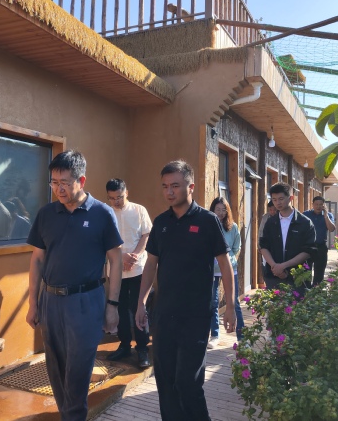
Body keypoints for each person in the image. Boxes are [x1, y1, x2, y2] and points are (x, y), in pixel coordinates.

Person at [135, 160, 236, 421]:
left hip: (195, 316)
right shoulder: (161, 222)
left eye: (175, 186)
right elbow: (150, 265)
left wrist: (231, 307)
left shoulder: (207, 221)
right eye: (165, 186)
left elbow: (225, 266)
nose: (169, 192)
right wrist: (141, 302)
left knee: (188, 382)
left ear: (190, 187)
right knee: (166, 381)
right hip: (164, 314)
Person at [26, 150, 123, 421]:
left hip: (86, 301)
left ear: (81, 180)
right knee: (55, 368)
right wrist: (33, 303)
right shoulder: (46, 214)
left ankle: (74, 416)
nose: (59, 189)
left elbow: (116, 260)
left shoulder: (102, 213)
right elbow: (37, 260)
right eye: (54, 182)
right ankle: (68, 415)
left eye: (65, 183)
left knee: (78, 370)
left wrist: (112, 305)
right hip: (50, 301)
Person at [105, 178, 152, 369]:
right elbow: (103, 241)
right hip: (116, 270)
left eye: (119, 197)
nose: (116, 201)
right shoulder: (106, 213)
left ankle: (142, 348)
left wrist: (136, 255)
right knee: (120, 310)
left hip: (138, 268)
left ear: (126, 193)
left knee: (139, 307)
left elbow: (146, 234)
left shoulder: (139, 210)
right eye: (111, 198)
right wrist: (121, 257)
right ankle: (124, 345)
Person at [259, 182, 316, 293]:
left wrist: (284, 266)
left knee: (298, 303)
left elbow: (308, 251)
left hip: (298, 276)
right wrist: (275, 266)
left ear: (291, 198)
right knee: (274, 303)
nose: (277, 203)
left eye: (281, 199)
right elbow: (264, 246)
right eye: (274, 199)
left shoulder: (305, 223)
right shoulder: (270, 222)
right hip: (273, 276)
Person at [208, 197, 245, 348]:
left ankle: (242, 337)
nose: (221, 213)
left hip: (229, 268)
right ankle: (214, 335)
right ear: (212, 210)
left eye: (224, 210)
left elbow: (237, 247)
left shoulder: (232, 227)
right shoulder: (208, 225)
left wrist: (228, 259)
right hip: (212, 269)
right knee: (213, 301)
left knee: (234, 301)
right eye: (218, 209)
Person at [303, 196, 336, 286]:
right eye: (316, 204)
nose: (318, 206)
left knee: (320, 271)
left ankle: (317, 291)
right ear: (312, 205)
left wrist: (325, 216)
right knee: (306, 271)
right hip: (308, 247)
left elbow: (331, 229)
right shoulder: (306, 214)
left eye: (320, 204)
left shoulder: (328, 215)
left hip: (321, 246)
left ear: (324, 205)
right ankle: (306, 290)